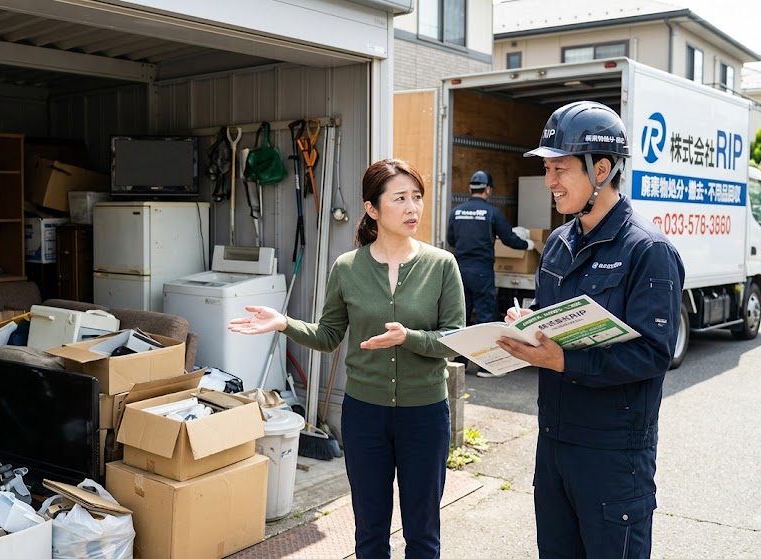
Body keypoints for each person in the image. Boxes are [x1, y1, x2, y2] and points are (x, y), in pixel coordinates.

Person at [229, 159, 464, 559]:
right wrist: (283, 322)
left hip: (425, 413)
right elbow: (328, 335)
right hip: (365, 415)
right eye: (401, 198)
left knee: (423, 530)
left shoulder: (441, 265)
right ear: (372, 209)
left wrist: (410, 338)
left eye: (418, 198)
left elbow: (455, 339)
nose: (413, 208)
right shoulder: (348, 268)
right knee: (370, 529)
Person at [495, 101, 684, 559]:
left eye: (561, 168)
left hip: (614, 455)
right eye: (547, 168)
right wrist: (529, 324)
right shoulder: (558, 245)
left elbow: (655, 353)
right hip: (555, 443)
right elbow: (555, 316)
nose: (550, 181)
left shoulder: (649, 251)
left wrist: (563, 359)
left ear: (601, 170)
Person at [446, 169, 533, 378]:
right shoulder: (492, 213)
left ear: (470, 189)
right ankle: (486, 367)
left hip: (460, 269)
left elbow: (450, 240)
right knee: (485, 318)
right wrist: (527, 244)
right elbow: (509, 238)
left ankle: (460, 363)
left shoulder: (456, 212)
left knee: (463, 317)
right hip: (482, 271)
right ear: (488, 189)